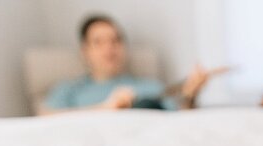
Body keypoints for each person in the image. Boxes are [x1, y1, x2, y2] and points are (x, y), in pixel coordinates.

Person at [41, 15, 215, 114]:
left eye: (115, 41)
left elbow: (180, 120)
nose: (109, 49)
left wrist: (191, 96)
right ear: (84, 51)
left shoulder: (150, 87)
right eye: (98, 42)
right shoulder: (69, 90)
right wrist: (106, 108)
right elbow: (45, 120)